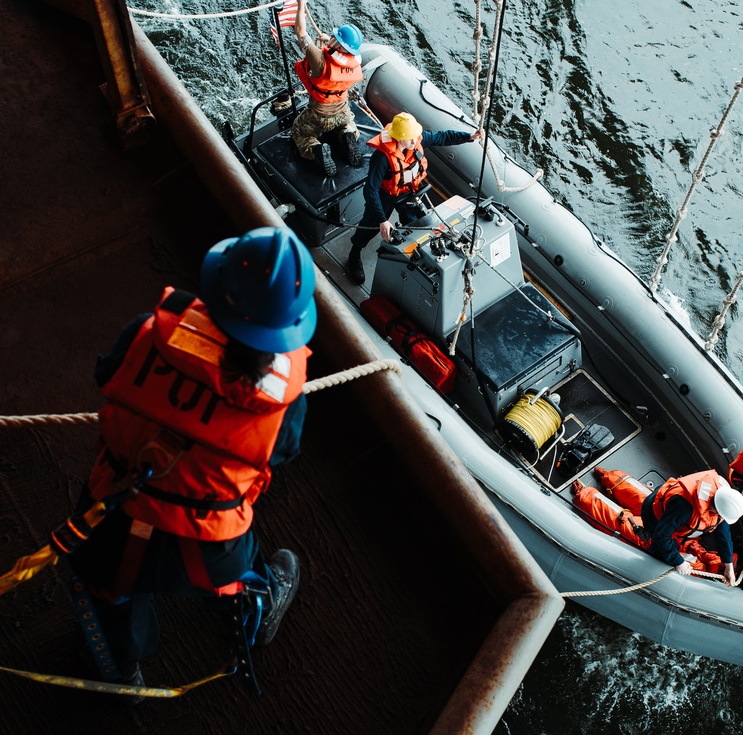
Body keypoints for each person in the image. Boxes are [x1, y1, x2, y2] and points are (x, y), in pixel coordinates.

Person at [67, 227, 316, 698]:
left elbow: (107, 371)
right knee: (242, 573)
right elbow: (283, 452)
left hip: (113, 514)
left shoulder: (148, 331)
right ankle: (257, 613)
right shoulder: (282, 402)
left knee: (107, 590)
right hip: (206, 548)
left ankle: (118, 673)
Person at [346, 111, 484, 284]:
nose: (415, 141)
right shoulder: (382, 158)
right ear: (398, 138)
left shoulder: (415, 139)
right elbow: (370, 190)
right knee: (371, 225)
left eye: (415, 137)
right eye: (410, 139)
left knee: (415, 223)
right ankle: (354, 253)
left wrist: (469, 137)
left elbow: (442, 137)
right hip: (385, 195)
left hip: (408, 192)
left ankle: (413, 257)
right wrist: (382, 220)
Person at [290, 0, 364, 177]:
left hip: (319, 115)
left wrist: (301, 5)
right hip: (342, 110)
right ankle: (348, 135)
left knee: (300, 132)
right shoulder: (355, 60)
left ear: (338, 45)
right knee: (347, 123)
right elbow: (342, 55)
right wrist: (330, 44)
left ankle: (315, 149)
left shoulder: (318, 60)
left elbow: (300, 31)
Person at [637, 469, 743, 586]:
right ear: (717, 510)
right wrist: (678, 561)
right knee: (661, 551)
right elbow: (661, 535)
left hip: (675, 516)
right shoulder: (684, 507)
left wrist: (728, 565)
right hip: (655, 516)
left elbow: (723, 534)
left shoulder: (720, 503)